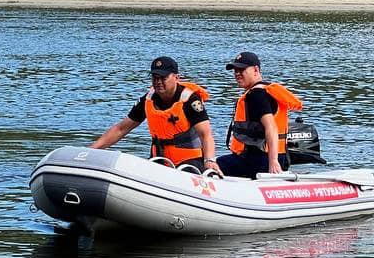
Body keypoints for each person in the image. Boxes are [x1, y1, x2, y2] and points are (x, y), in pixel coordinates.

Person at [90, 56, 220, 173]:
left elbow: (206, 134)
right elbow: (121, 129)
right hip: (159, 159)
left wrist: (209, 160)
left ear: (176, 78)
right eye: (155, 77)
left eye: (163, 78)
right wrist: (91, 150)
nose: (158, 82)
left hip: (189, 162)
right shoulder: (147, 100)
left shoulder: (190, 100)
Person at [216, 51, 302, 178]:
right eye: (235, 70)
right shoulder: (266, 90)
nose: (237, 74)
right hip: (279, 157)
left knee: (212, 165)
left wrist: (273, 161)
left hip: (260, 161)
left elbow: (271, 127)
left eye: (242, 69)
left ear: (256, 70)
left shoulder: (257, 95)